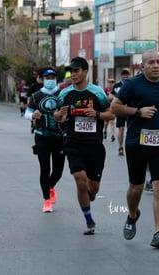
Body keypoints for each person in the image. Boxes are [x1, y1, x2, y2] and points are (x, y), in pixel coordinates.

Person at [111, 49, 159, 248]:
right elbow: (115, 107)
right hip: (136, 144)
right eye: (151, 62)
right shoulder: (131, 85)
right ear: (142, 66)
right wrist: (137, 111)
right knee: (136, 188)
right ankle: (132, 215)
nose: (156, 65)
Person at [54, 57, 115, 235]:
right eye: (71, 72)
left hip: (94, 146)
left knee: (92, 187)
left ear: (85, 72)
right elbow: (57, 115)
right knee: (81, 181)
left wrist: (96, 114)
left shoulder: (97, 93)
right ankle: (89, 220)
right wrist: (60, 115)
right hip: (73, 143)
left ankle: (91, 194)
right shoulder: (65, 93)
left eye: (76, 71)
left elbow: (110, 114)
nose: (72, 75)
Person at [25, 66, 65, 213]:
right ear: (42, 79)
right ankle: (47, 200)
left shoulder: (62, 94)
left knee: (58, 171)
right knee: (45, 168)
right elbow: (27, 113)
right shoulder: (36, 96)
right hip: (41, 135)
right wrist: (33, 115)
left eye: (53, 78)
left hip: (59, 136)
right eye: (47, 78)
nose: (50, 81)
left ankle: (51, 186)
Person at [111, 68, 131, 156]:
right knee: (121, 129)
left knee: (131, 129)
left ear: (129, 75)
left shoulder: (132, 84)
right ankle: (120, 147)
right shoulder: (117, 86)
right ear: (121, 76)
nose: (125, 76)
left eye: (127, 74)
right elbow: (111, 95)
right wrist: (115, 99)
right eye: (123, 74)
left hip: (130, 110)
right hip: (120, 110)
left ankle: (131, 147)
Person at [103, 77, 116, 142]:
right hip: (107, 107)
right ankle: (105, 130)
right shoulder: (105, 90)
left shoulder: (115, 90)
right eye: (110, 83)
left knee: (112, 122)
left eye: (112, 83)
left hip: (113, 107)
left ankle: (113, 135)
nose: (111, 84)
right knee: (106, 122)